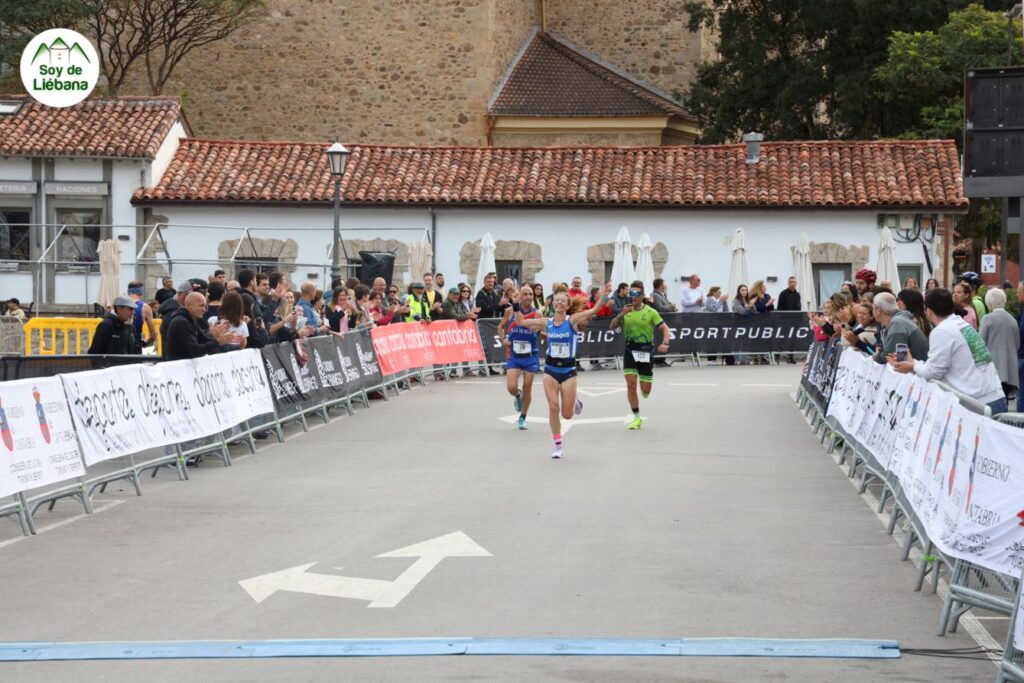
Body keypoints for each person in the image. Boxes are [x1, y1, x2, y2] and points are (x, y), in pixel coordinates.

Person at [512, 283, 612, 459]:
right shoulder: (546, 322)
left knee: (566, 415)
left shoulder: (572, 320)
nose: (559, 302)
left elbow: (594, 310)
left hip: (568, 371)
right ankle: (558, 446)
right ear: (552, 304)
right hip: (550, 370)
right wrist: (515, 303)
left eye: (562, 301)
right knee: (553, 407)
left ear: (567, 305)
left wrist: (604, 295)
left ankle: (575, 402)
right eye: (556, 300)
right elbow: (520, 321)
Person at [890, 288, 1006, 414]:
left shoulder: (942, 331)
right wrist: (914, 363)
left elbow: (932, 372)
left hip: (977, 404)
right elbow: (936, 367)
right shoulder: (961, 324)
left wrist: (912, 365)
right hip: (993, 396)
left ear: (928, 311)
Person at [608, 283, 671, 430]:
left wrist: (665, 343)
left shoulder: (651, 312)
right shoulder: (626, 310)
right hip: (630, 351)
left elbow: (665, 329)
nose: (633, 297)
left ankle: (645, 387)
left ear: (642, 296)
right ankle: (636, 418)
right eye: (631, 294)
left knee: (645, 390)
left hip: (646, 351)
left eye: (636, 294)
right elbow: (612, 326)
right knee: (631, 385)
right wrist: (621, 314)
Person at [498, 284, 541, 430]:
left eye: (530, 294)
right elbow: (500, 327)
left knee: (527, 387)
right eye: (525, 294)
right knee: (511, 387)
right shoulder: (510, 311)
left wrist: (538, 332)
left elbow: (544, 332)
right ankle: (517, 396)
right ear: (519, 296)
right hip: (514, 355)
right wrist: (503, 339)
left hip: (530, 355)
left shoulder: (537, 314)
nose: (528, 297)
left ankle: (523, 417)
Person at [165, 293, 240, 360]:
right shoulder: (181, 323)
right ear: (190, 306)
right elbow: (195, 351)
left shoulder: (192, 319)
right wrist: (219, 341)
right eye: (201, 305)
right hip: (178, 368)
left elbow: (203, 340)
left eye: (205, 306)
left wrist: (224, 341)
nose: (204, 310)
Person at [979, 288, 1020, 403]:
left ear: (989, 302)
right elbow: (1017, 344)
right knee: (1005, 403)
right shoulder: (1012, 320)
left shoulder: (987, 318)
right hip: (1010, 370)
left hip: (993, 370)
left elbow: (980, 344)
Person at [871, 292, 929, 365]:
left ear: (878, 310)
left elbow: (890, 355)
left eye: (872, 308)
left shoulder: (897, 323)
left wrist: (876, 356)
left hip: (916, 370)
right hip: (916, 368)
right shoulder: (899, 320)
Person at [126, 281, 157, 348]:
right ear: (141, 291)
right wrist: (144, 344)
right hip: (135, 345)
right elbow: (154, 335)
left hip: (118, 345)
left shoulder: (118, 305)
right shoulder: (145, 308)